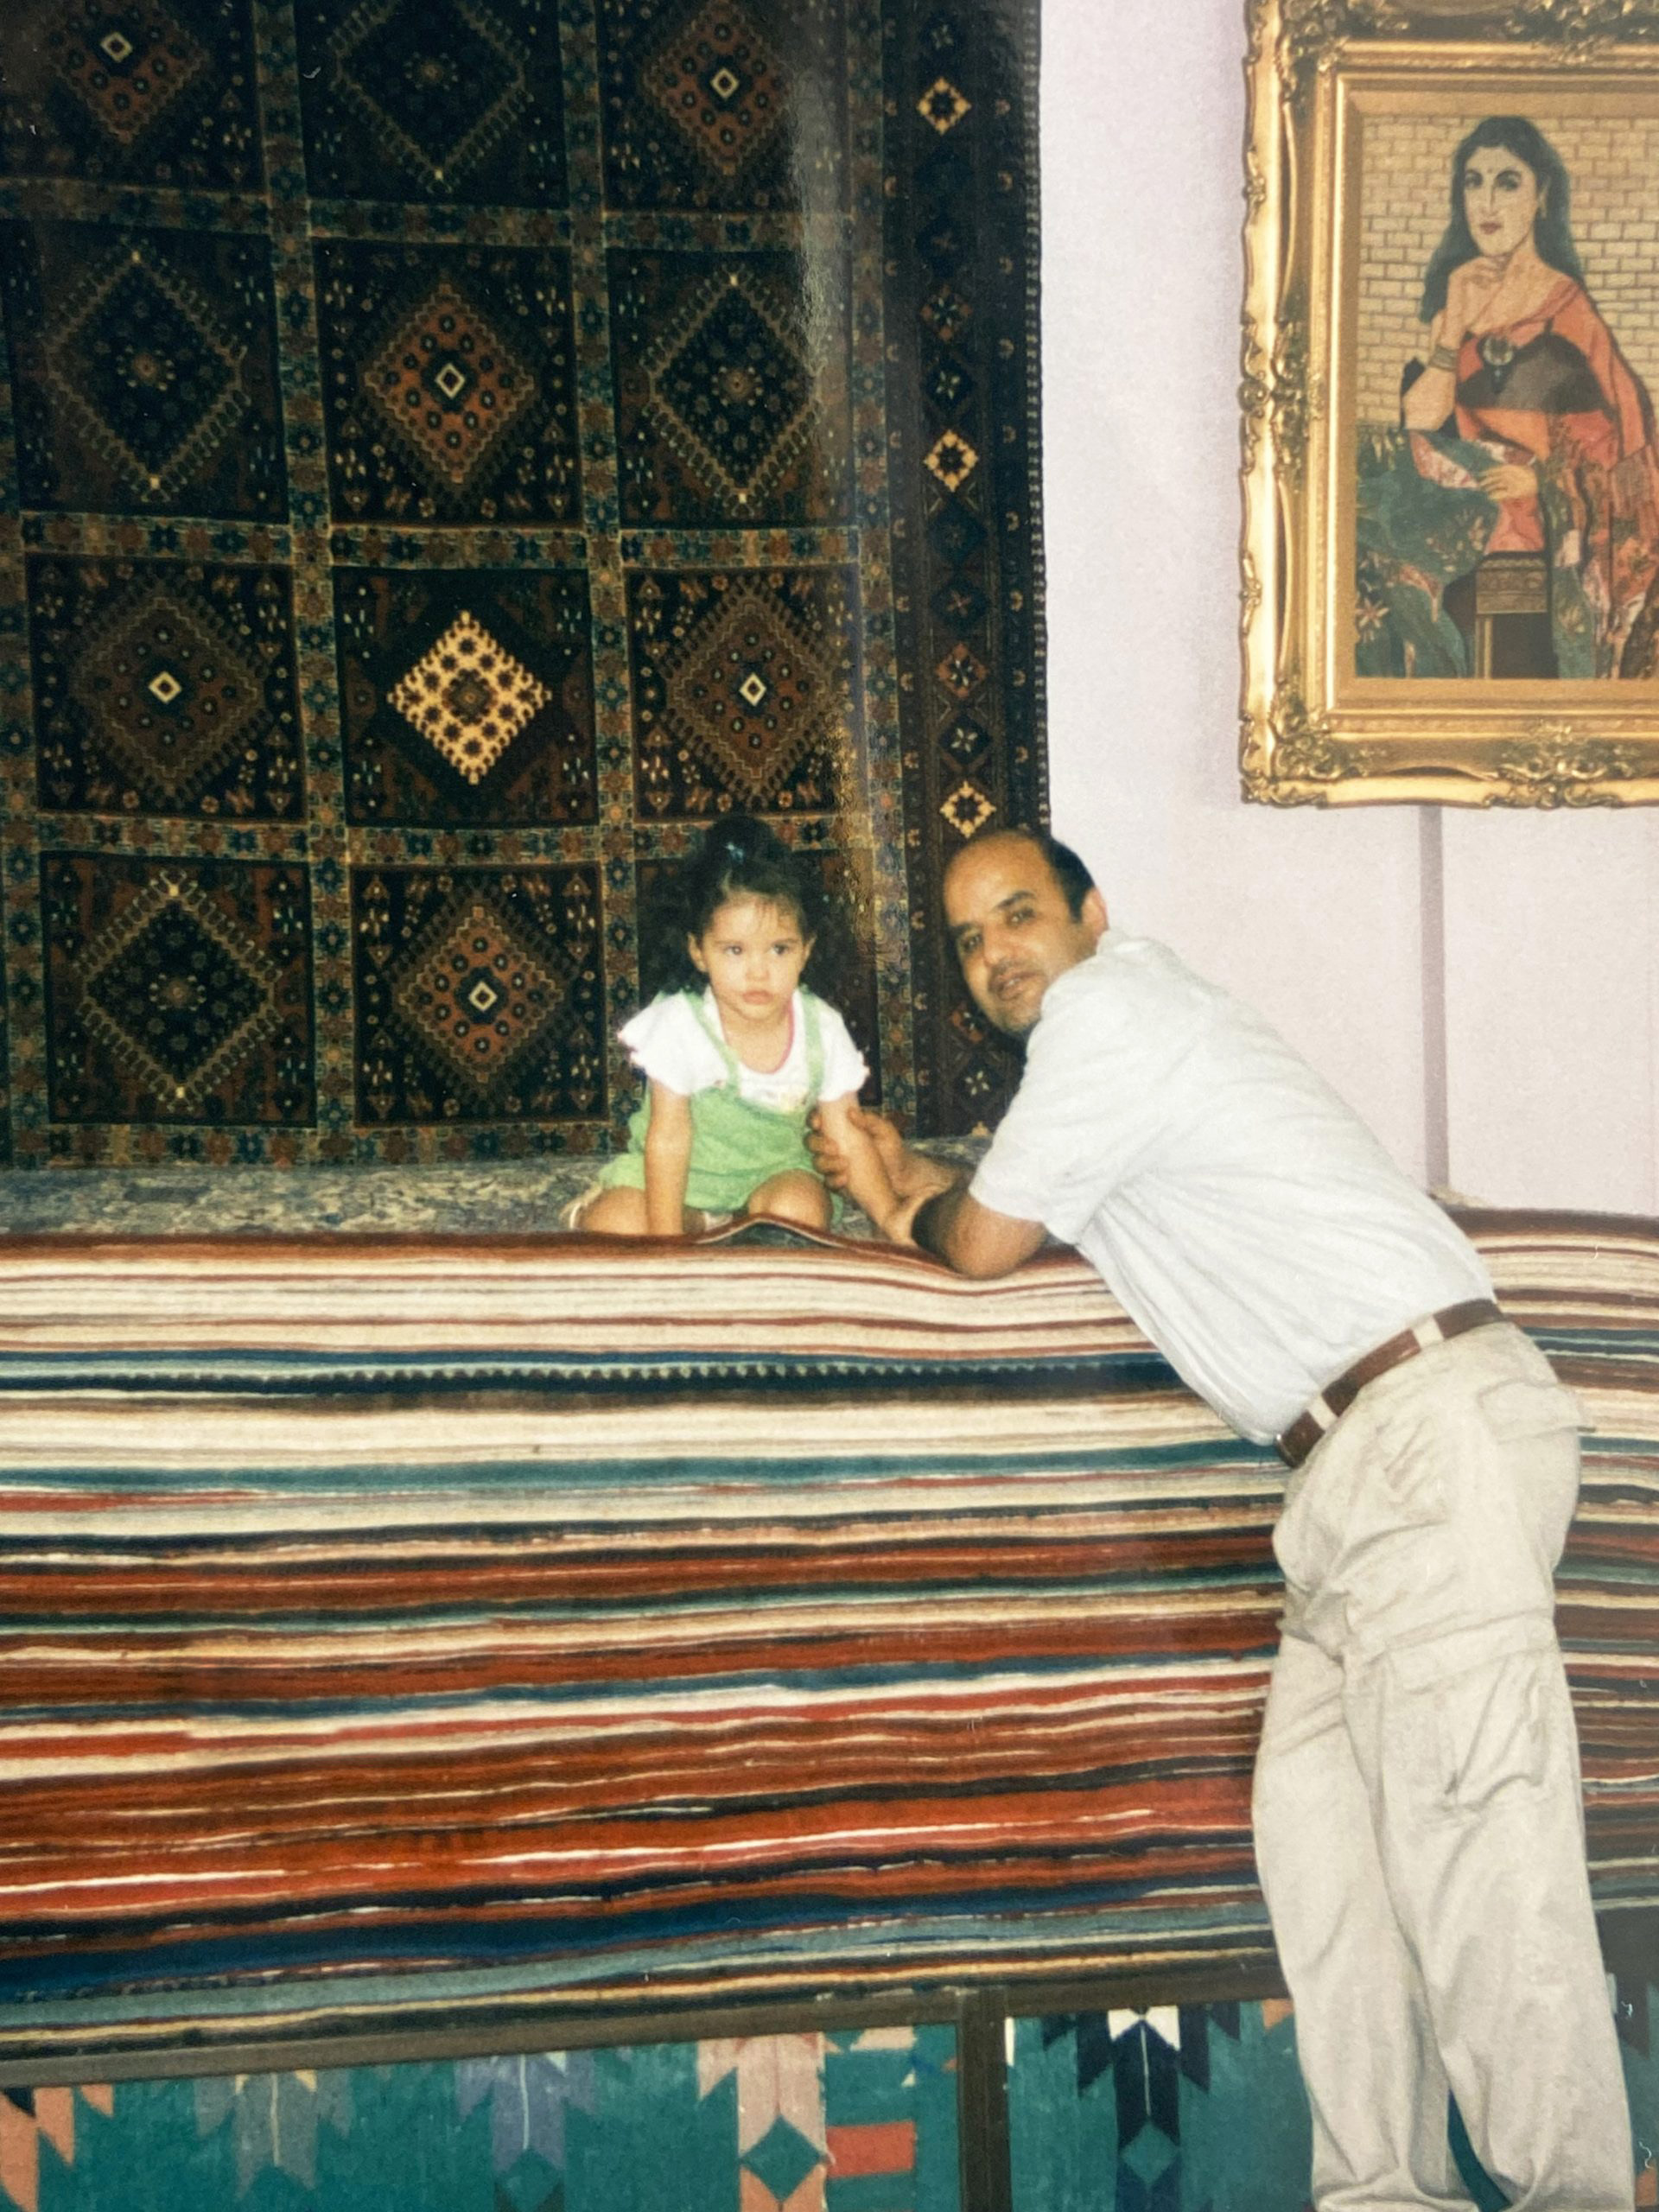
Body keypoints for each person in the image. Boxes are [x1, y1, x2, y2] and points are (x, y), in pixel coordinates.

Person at [819, 825, 1633, 2211]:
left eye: (1018, 913)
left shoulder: (1108, 1010)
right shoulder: (1111, 1057)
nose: (996, 952)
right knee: (1330, 1872)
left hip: (1423, 1444)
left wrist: (893, 1202)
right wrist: (898, 1179)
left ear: (1092, 913)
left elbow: (981, 1241)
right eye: (967, 938)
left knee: (1487, 1874)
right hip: (1356, 1478)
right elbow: (1002, 1200)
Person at [1358, 115, 1659, 679]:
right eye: (1473, 182)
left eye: (1508, 182)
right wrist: (1454, 323)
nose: (1487, 202)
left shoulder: (1569, 310)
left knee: (1511, 677)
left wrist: (1543, 482)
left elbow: (1622, 448)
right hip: (1455, 533)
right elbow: (1420, 421)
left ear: (1541, 197)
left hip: (1535, 543)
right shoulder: (1459, 295)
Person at [575, 815, 894, 1237]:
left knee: (801, 1210)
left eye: (779, 949)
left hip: (774, 1176)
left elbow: (848, 1136)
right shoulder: (680, 1022)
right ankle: (699, 1225)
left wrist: (891, 1217)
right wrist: (668, 1244)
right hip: (682, 1183)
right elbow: (668, 1139)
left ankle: (743, 1222)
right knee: (613, 1223)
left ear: (806, 950)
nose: (758, 972)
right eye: (735, 951)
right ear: (698, 952)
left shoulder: (822, 1027)